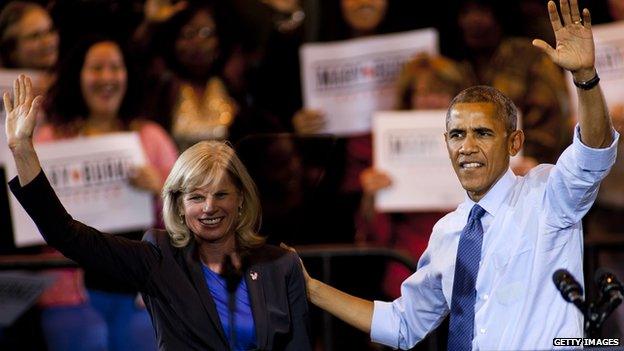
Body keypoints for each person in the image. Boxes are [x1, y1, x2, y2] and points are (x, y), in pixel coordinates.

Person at [287, 0, 619, 349]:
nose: (468, 146)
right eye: (458, 135)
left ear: (514, 141)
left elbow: (593, 151)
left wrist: (585, 78)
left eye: (484, 133)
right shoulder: (447, 232)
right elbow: (401, 324)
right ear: (445, 143)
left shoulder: (548, 196)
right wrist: (311, 288)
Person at [4, 73, 312, 350]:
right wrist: (23, 151)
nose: (209, 207)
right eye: (196, 197)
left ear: (242, 199)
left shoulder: (281, 265)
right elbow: (65, 233)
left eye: (221, 194)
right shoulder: (159, 258)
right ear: (178, 204)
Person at [35, 36, 179, 351]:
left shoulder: (152, 138)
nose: (106, 77)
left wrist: (161, 189)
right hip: (68, 290)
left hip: (140, 292)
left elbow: (186, 222)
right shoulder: (48, 141)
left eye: (115, 67)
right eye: (96, 68)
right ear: (78, 77)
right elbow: (28, 217)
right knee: (88, 339)